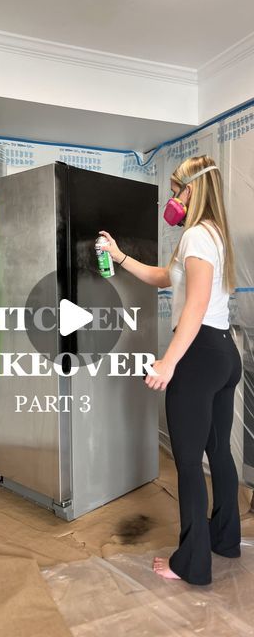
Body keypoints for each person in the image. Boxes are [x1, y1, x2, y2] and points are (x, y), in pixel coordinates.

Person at [99, 154, 242, 586]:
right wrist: (121, 258)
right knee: (218, 453)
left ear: (194, 190)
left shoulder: (198, 236)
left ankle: (192, 563)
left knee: (187, 461)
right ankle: (225, 540)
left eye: (178, 189)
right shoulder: (212, 235)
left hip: (197, 354)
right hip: (222, 353)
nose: (174, 198)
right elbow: (167, 277)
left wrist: (168, 361)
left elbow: (195, 307)